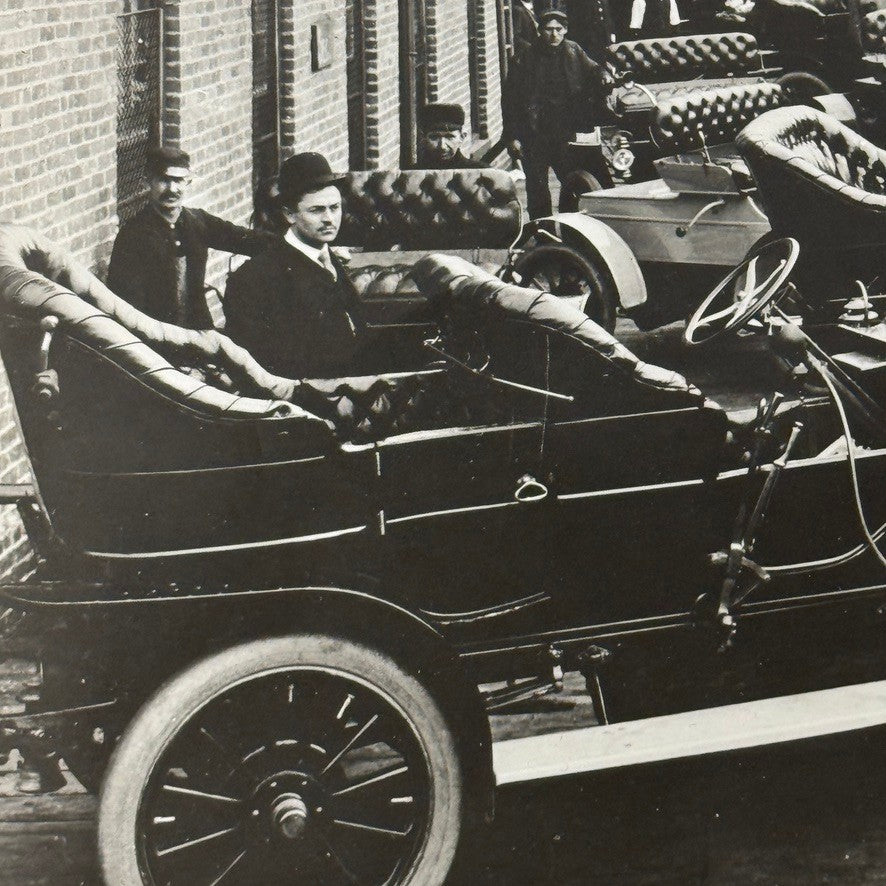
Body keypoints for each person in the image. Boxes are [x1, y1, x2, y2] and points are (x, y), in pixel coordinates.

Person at [224, 152, 367, 379]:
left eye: (334, 207)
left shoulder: (330, 260)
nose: (330, 218)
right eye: (317, 210)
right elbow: (262, 366)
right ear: (290, 215)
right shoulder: (254, 279)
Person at [106, 146, 271, 329]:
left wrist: (295, 242)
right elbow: (127, 304)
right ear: (148, 182)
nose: (172, 189)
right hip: (156, 338)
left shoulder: (197, 222)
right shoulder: (134, 236)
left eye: (179, 181)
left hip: (200, 331)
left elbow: (248, 241)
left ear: (188, 182)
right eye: (163, 180)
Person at [502, 7, 607, 219]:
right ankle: (543, 230)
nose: (554, 34)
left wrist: (605, 75)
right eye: (549, 29)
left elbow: (594, 71)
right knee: (538, 187)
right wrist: (512, 136)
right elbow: (510, 102)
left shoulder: (573, 51)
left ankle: (572, 226)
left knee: (572, 182)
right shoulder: (524, 60)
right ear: (540, 31)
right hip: (534, 133)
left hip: (565, 132)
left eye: (559, 29)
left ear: (565, 30)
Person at [418, 104, 488, 169]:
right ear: (423, 139)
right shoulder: (411, 175)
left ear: (462, 137)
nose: (442, 146)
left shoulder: (479, 172)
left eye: (449, 137)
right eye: (434, 137)